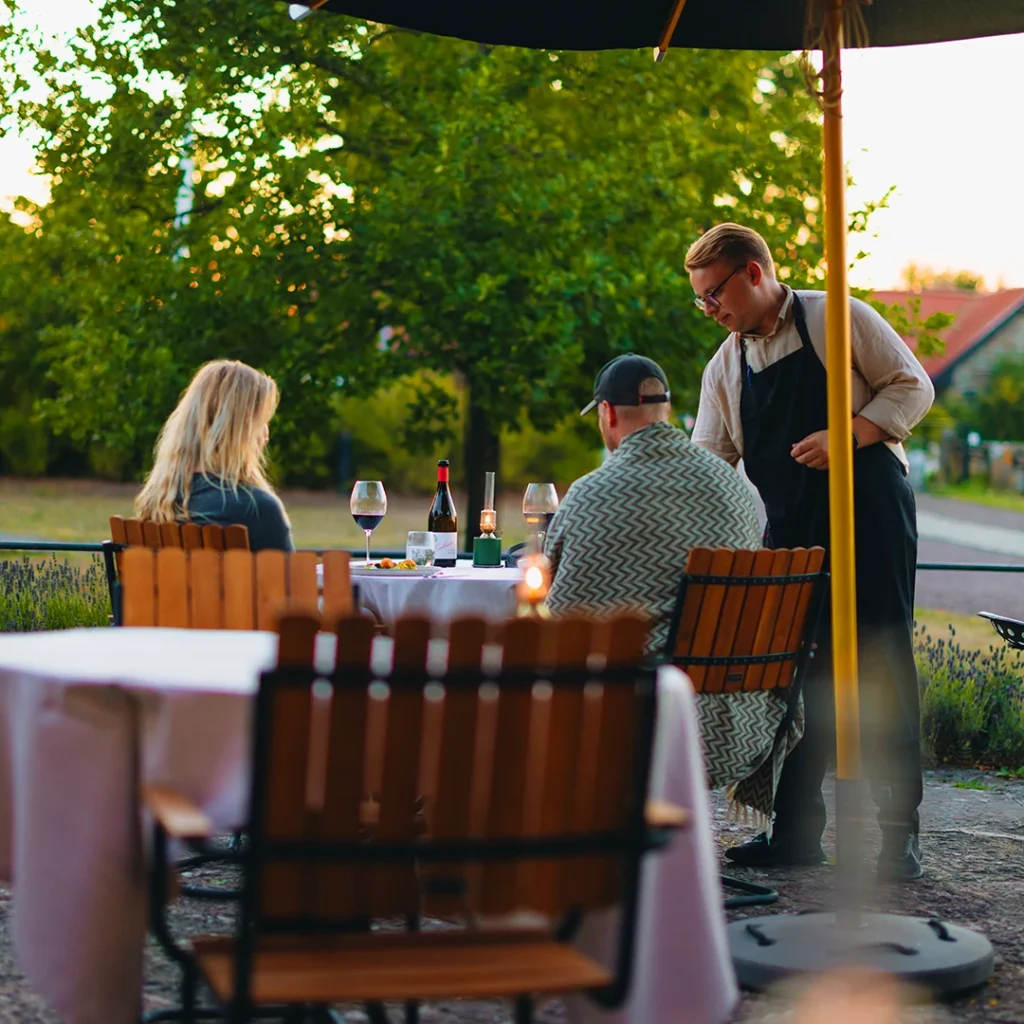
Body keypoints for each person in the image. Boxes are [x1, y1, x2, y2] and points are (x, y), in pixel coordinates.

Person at [686, 222, 934, 880]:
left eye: (715, 295)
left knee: (881, 657)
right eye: (702, 302)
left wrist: (848, 435)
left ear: (754, 273)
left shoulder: (838, 316)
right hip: (789, 532)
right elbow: (711, 466)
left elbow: (914, 386)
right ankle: (795, 834)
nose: (711, 312)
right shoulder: (724, 369)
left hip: (871, 511)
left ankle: (897, 834)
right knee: (792, 675)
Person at [135, 359, 295, 552]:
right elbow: (288, 581)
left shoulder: (158, 504)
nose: (265, 435)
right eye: (260, 422)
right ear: (238, 432)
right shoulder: (257, 509)